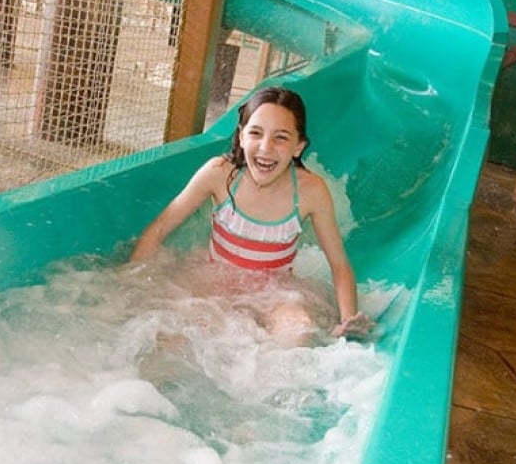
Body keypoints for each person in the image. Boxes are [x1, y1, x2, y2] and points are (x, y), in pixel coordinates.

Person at [130, 86, 373, 345]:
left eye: (281, 137)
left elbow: (339, 264)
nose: (265, 148)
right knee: (174, 332)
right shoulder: (219, 174)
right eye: (256, 133)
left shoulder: (310, 191)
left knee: (298, 331)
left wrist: (348, 319)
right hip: (215, 281)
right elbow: (159, 229)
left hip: (274, 294)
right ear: (242, 136)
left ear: (298, 147)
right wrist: (130, 281)